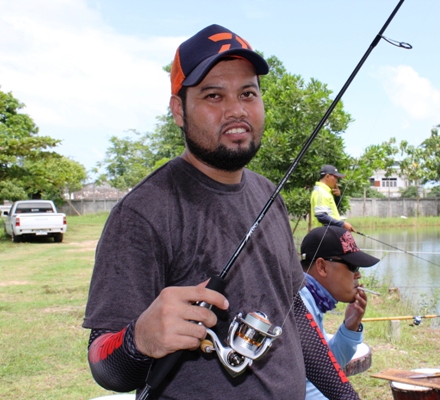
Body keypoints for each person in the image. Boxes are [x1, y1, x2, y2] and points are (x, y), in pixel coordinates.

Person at [83, 24, 358, 399]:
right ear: (179, 110)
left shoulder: (268, 194)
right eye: (214, 96)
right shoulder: (144, 213)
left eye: (248, 93)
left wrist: (346, 396)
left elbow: (291, 310)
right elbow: (105, 366)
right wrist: (139, 339)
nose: (236, 110)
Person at [300, 225, 379, 399]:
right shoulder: (299, 305)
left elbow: (323, 368)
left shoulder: (311, 299)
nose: (358, 275)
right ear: (322, 267)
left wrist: (350, 328)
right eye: (352, 266)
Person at [311, 164, 355, 232]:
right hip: (323, 234)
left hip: (330, 232)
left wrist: (337, 196)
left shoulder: (327, 191)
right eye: (335, 177)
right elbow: (321, 216)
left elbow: (335, 209)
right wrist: (342, 224)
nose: (336, 181)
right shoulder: (320, 192)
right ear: (327, 176)